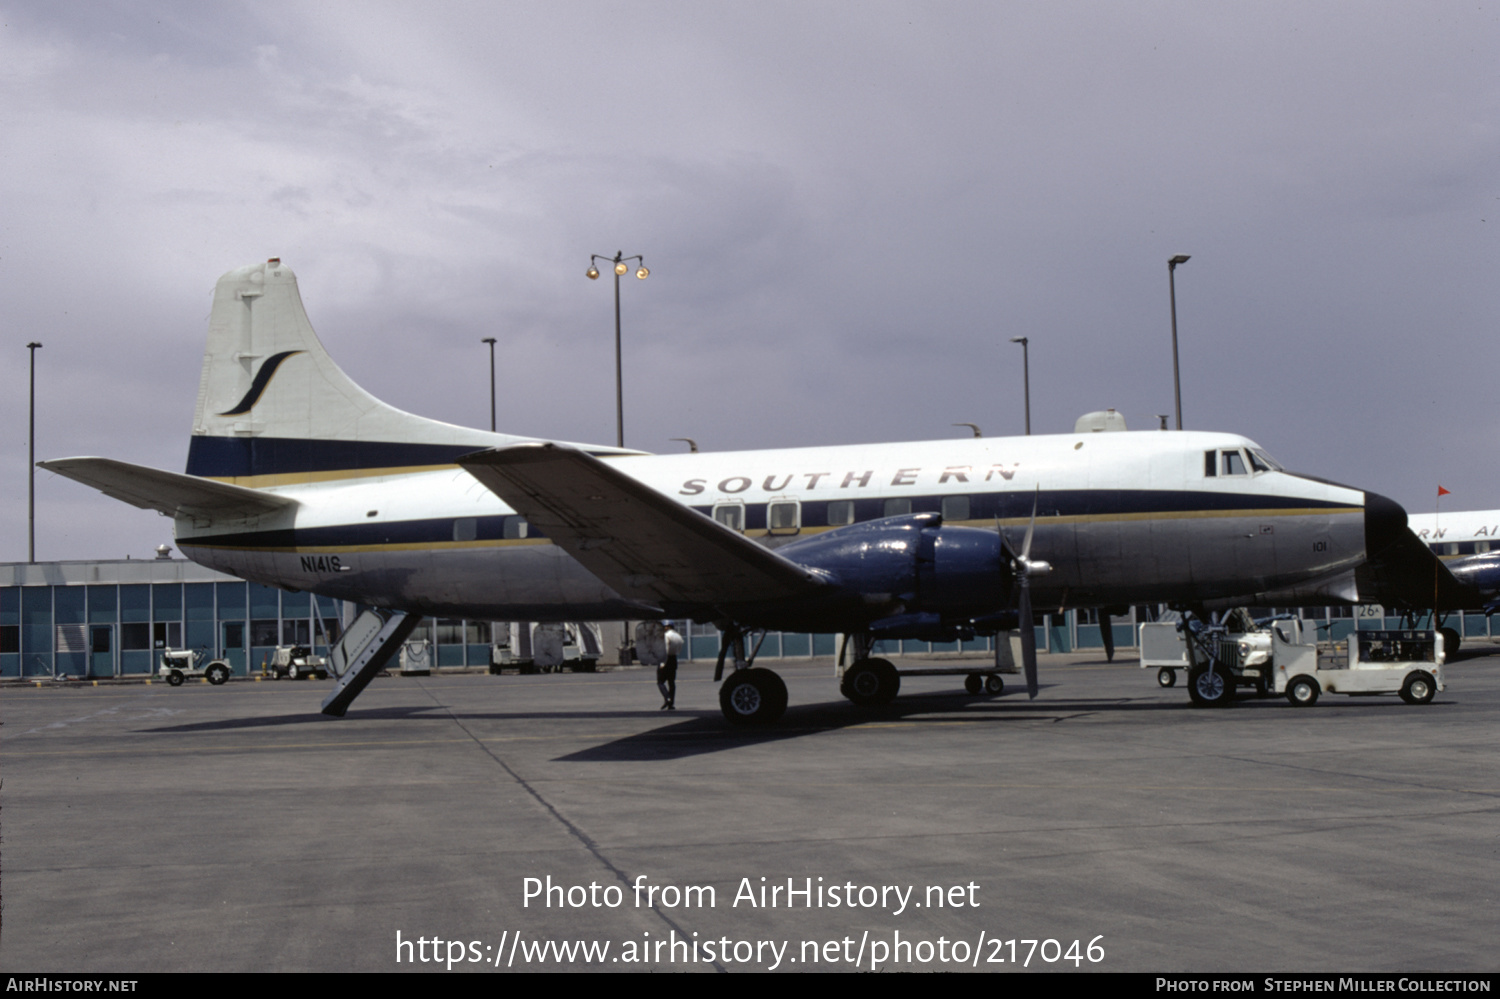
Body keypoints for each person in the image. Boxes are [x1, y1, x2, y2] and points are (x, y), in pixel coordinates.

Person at [659, 622, 684, 710]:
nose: (663, 628)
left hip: (666, 659)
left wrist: (662, 662)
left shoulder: (666, 636)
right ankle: (671, 704)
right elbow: (680, 646)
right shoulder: (678, 636)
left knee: (660, 682)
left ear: (668, 627)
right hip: (674, 659)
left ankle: (667, 698)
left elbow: (665, 648)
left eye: (664, 626)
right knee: (671, 682)